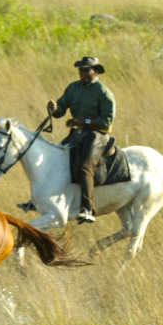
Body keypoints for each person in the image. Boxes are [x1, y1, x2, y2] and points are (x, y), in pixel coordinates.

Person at [29, 57, 116, 224]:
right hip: (78, 133)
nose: (82, 73)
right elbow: (61, 109)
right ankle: (39, 201)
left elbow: (107, 121)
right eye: (80, 70)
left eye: (86, 70)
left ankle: (87, 208)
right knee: (53, 160)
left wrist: (83, 121)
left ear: (95, 71)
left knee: (84, 167)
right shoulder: (73, 88)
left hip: (97, 135)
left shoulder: (104, 93)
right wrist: (55, 108)